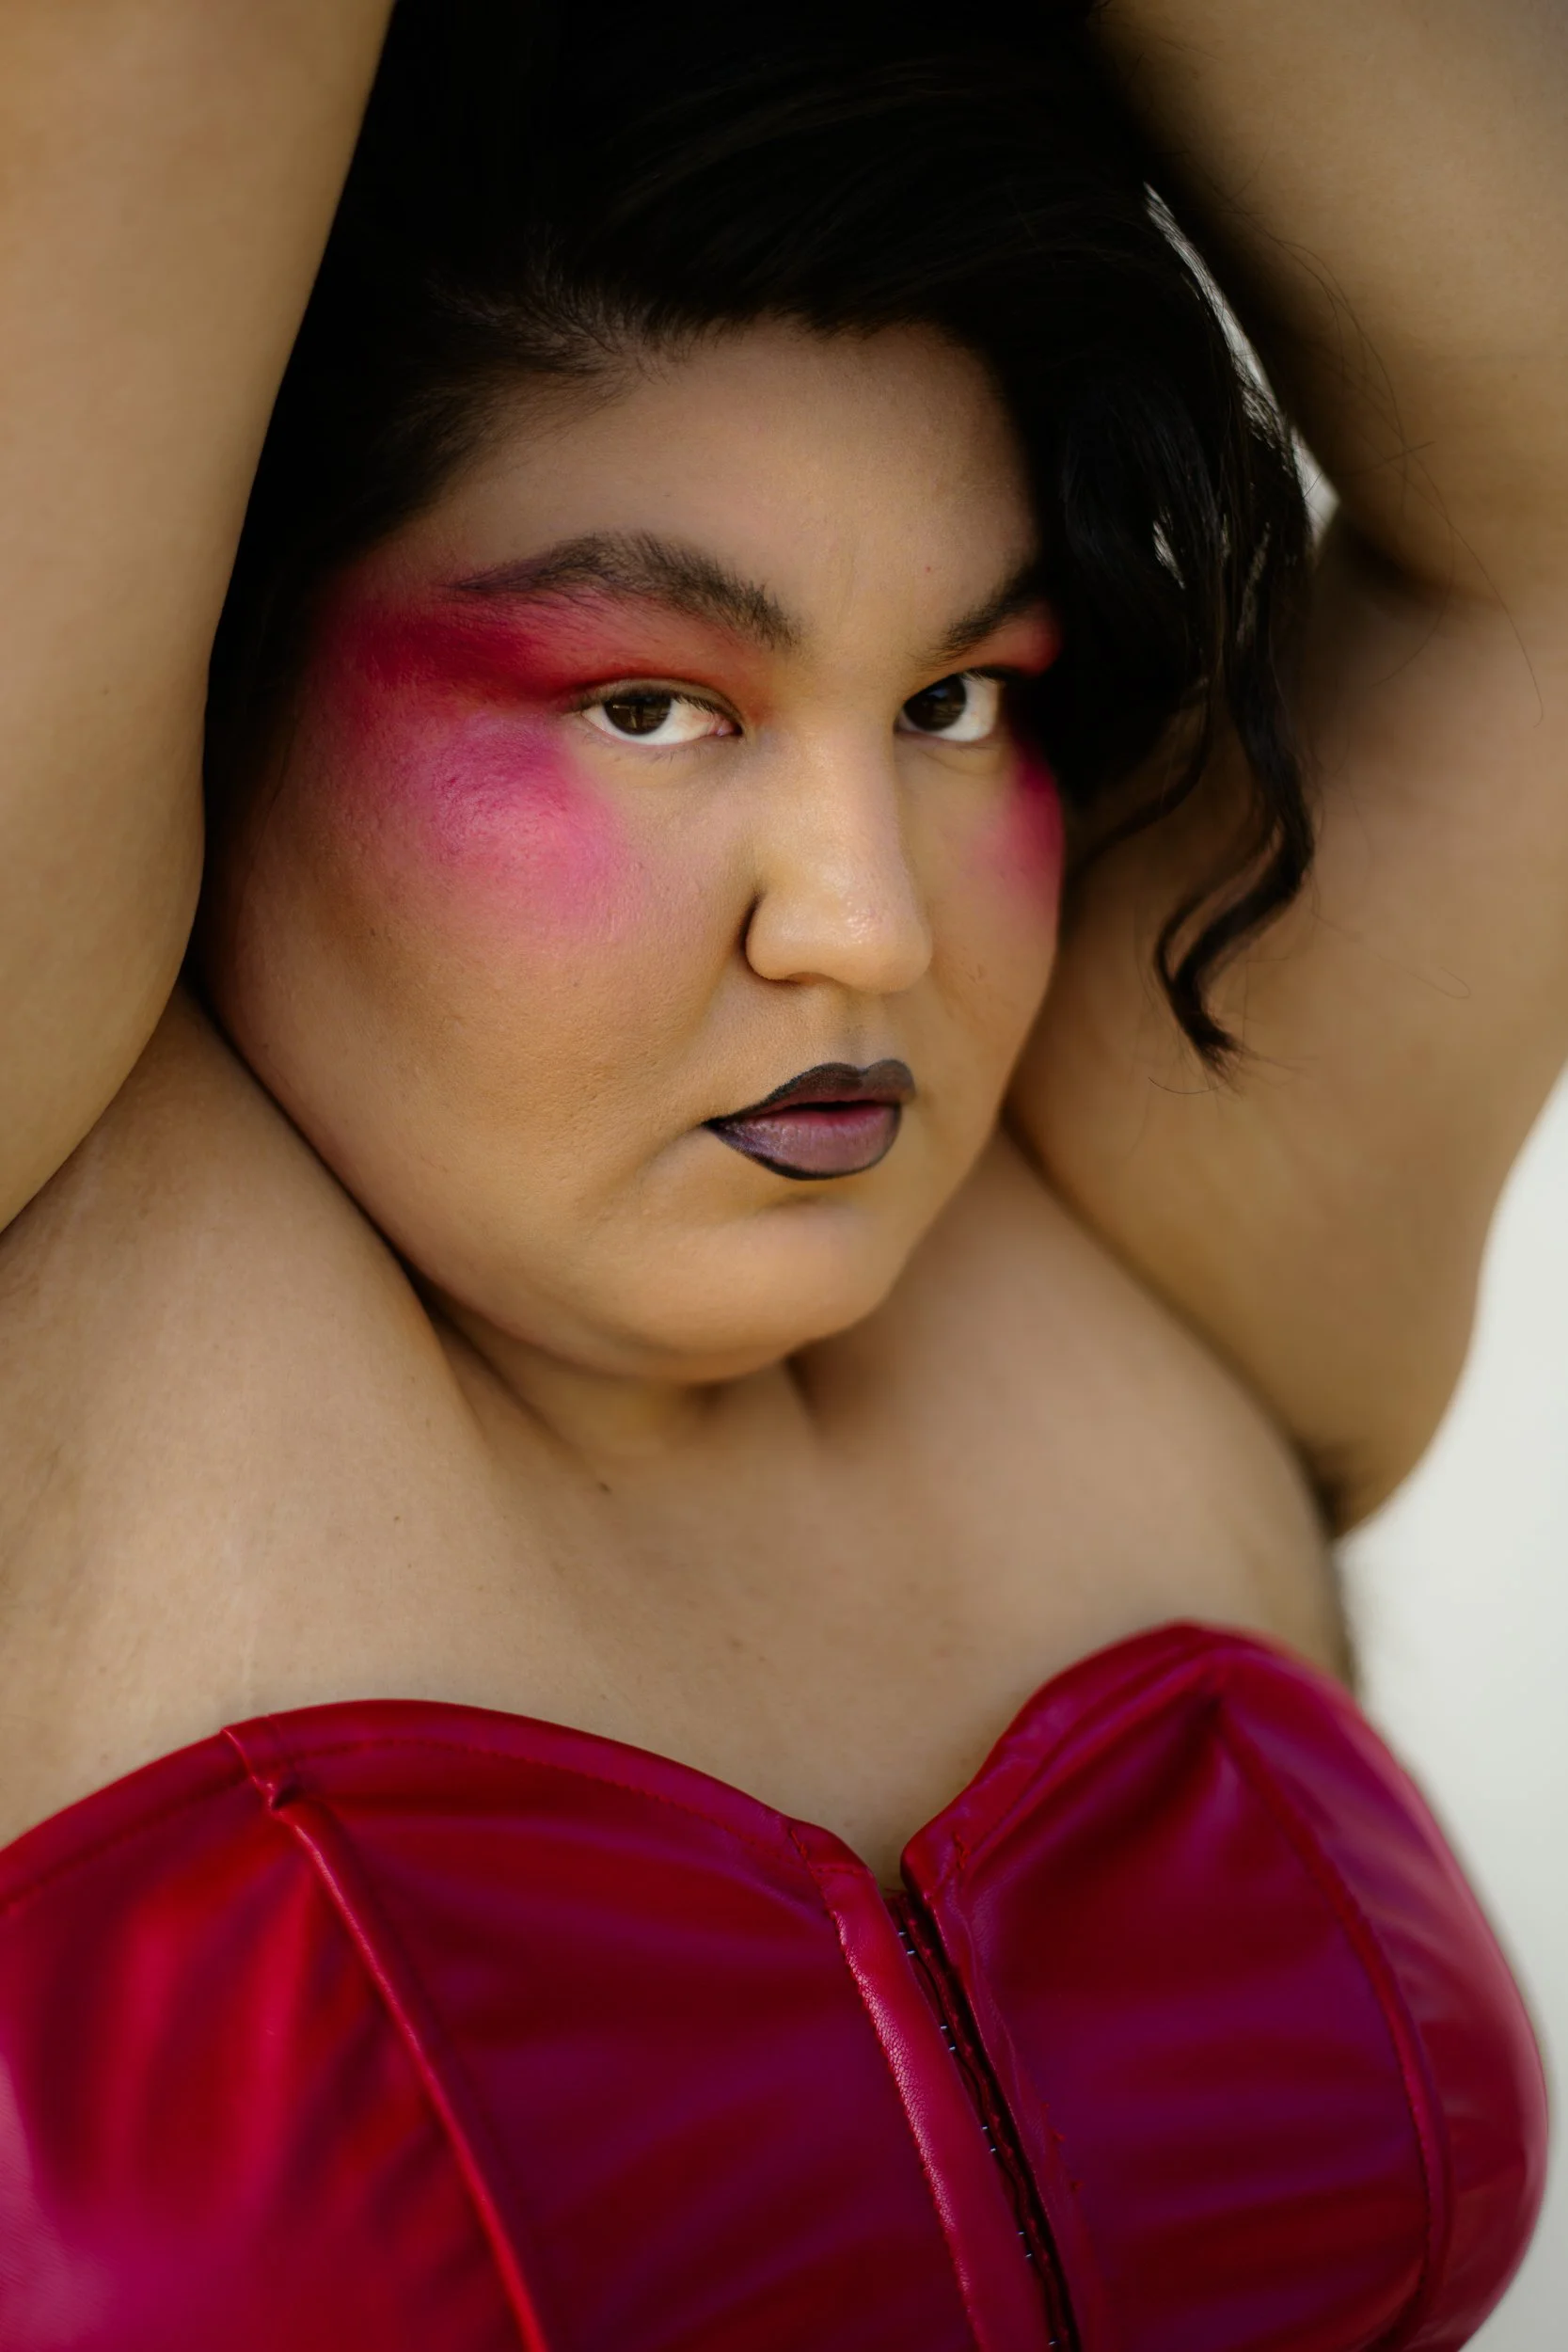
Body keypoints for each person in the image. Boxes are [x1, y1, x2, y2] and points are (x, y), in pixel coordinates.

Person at [0, 0, 1557, 2344]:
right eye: (649, 704)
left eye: (952, 699)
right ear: (197, 666)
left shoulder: (1159, 1214)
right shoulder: (55, 1274)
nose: (867, 921)